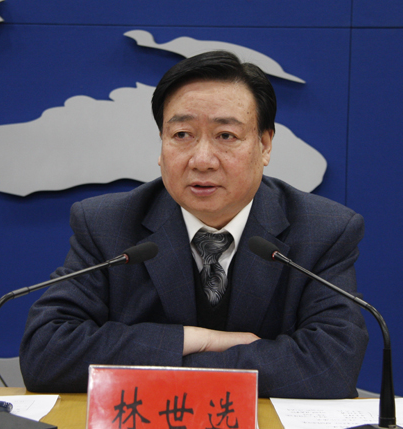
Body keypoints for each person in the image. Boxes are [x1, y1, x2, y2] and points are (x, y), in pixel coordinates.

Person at [20, 50, 368, 399]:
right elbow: (46, 352)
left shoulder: (323, 231)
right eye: (182, 134)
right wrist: (197, 339)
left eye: (226, 136)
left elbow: (333, 365)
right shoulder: (107, 224)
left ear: (264, 145)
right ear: (161, 144)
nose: (202, 160)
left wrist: (169, 365)